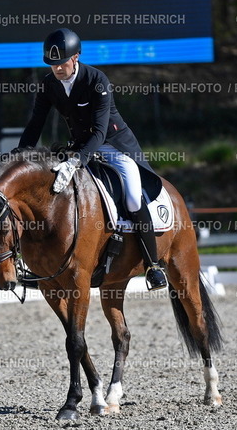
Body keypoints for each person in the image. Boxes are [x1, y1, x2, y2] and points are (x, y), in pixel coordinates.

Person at [18, 27, 168, 290]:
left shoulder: (96, 80)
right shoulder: (48, 84)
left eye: (61, 62)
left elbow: (99, 131)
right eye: (52, 64)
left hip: (113, 146)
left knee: (133, 196)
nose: (57, 69)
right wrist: (20, 157)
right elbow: (35, 124)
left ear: (75, 57)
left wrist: (77, 160)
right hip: (79, 145)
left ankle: (153, 265)